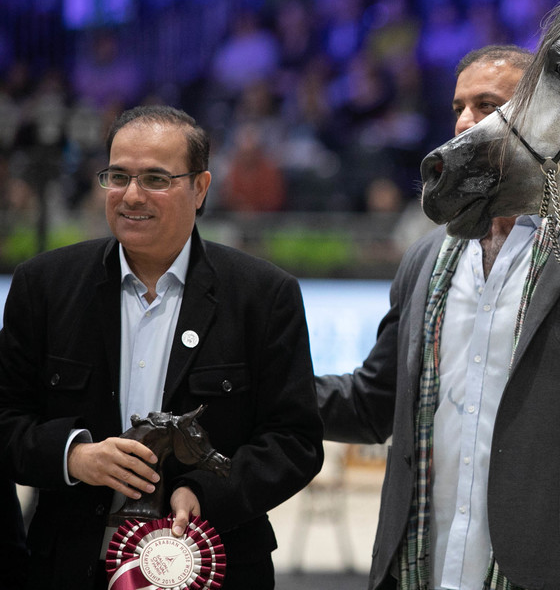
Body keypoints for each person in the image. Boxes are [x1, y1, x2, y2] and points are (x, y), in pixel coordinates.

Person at [316, 45, 560, 590]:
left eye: (486, 105)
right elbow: (373, 404)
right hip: (427, 566)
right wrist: (260, 388)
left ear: (542, 116)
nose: (464, 121)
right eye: (458, 107)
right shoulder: (426, 258)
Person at [0, 104, 323, 589]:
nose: (131, 195)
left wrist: (204, 492)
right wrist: (72, 456)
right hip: (68, 567)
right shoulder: (43, 286)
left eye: (155, 179)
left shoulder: (263, 296)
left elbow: (295, 442)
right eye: (118, 176)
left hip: (215, 568)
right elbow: (6, 420)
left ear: (200, 188)